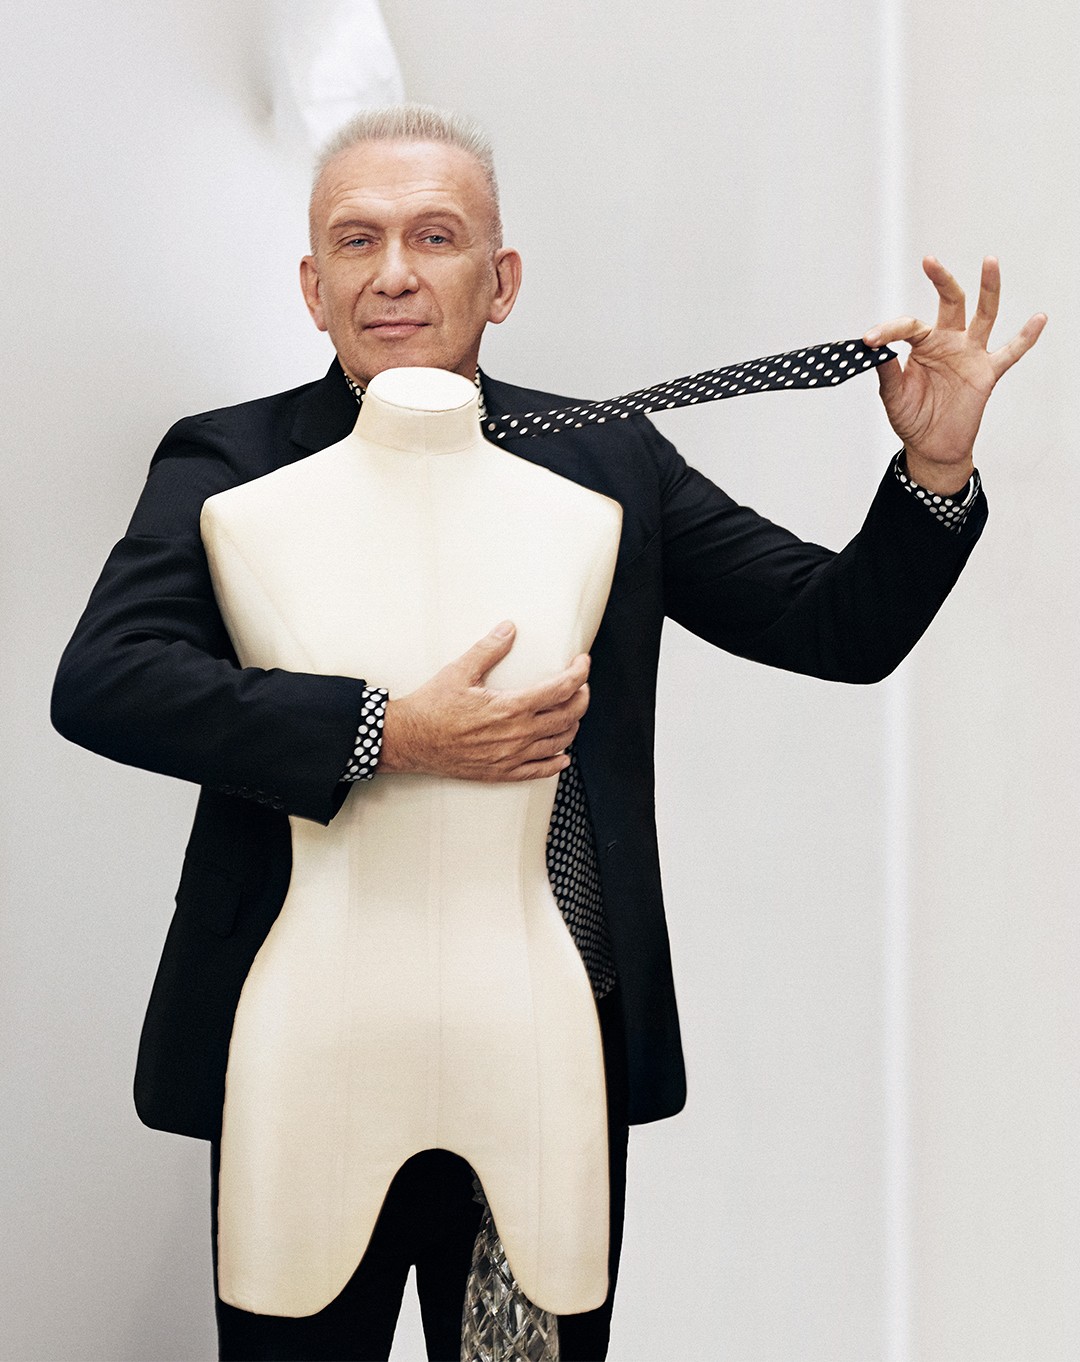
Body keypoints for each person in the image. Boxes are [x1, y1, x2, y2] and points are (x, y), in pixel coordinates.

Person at [51, 104, 1045, 1362]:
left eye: (435, 236)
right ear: (312, 288)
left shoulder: (606, 462)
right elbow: (109, 679)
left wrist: (934, 475)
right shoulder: (230, 467)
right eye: (357, 241)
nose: (394, 273)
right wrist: (386, 730)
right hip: (306, 1043)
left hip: (542, 1038)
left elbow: (832, 627)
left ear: (502, 280)